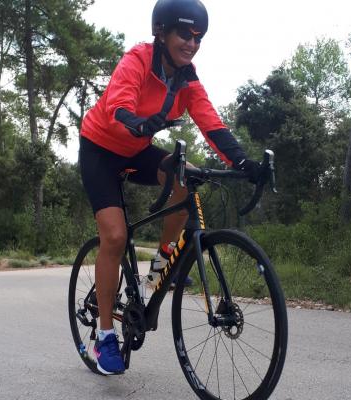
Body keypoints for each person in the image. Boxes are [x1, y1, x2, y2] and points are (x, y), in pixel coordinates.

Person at [78, 0, 261, 375]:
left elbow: (211, 122)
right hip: (100, 148)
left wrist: (241, 161)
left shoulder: (187, 78)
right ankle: (107, 338)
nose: (192, 43)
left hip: (137, 147)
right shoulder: (138, 60)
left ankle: (163, 266)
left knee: (187, 175)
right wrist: (136, 121)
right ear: (160, 32)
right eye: (185, 34)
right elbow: (118, 102)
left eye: (199, 36)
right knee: (114, 236)